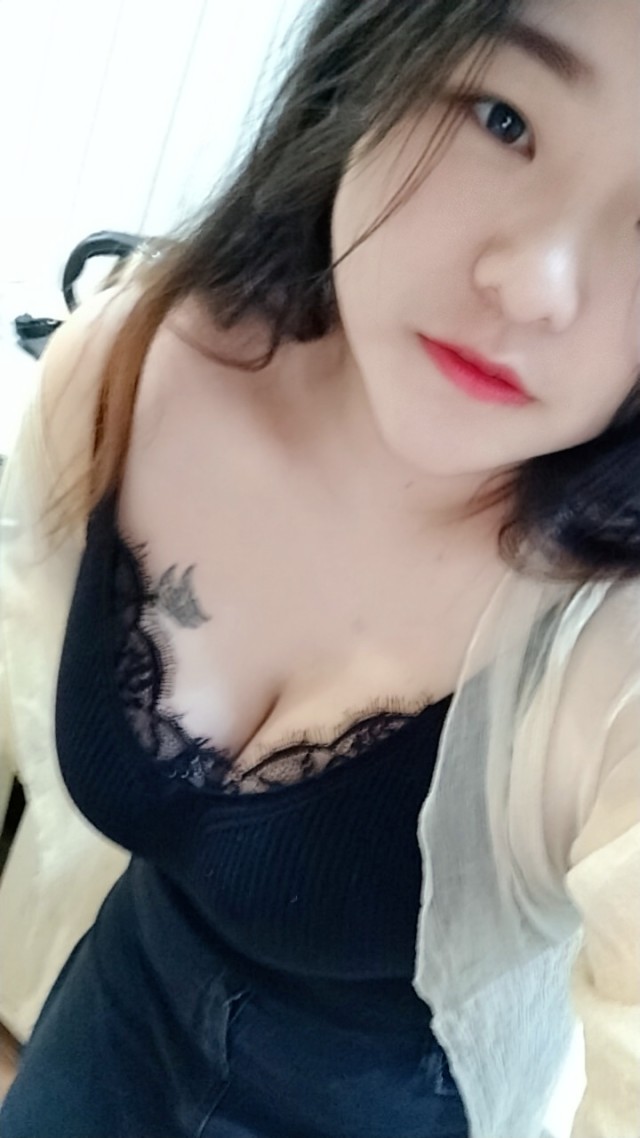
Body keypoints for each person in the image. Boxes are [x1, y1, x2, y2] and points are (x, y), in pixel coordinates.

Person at [0, 0, 639, 1134]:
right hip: (102, 1036)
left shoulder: (611, 662)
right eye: (501, 117)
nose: (535, 282)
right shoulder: (127, 367)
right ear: (376, 57)